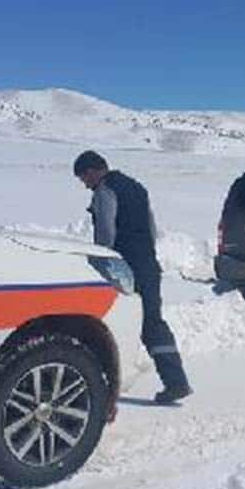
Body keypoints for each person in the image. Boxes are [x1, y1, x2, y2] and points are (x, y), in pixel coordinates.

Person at [73, 150, 192, 404]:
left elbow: (106, 231)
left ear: (93, 171)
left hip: (124, 268)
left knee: (110, 320)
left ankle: (103, 383)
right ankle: (176, 381)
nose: (85, 184)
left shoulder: (105, 190)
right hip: (147, 263)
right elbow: (150, 228)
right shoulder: (137, 187)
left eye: (84, 178)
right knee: (151, 321)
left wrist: (100, 260)